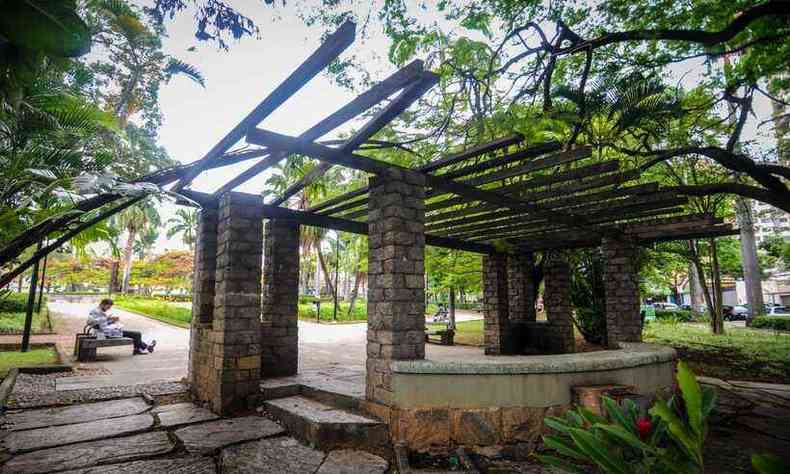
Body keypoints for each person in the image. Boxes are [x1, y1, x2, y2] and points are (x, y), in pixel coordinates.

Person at [88, 298, 157, 355]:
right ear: (103, 304)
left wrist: (112, 321)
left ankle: (142, 349)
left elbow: (103, 323)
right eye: (108, 307)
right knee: (137, 334)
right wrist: (108, 319)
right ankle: (145, 348)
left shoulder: (100, 311)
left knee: (136, 334)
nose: (108, 309)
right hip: (104, 334)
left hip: (109, 331)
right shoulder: (95, 311)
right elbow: (91, 322)